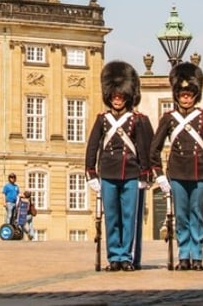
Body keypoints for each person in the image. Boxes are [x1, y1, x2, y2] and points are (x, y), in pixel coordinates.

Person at [149, 63, 203, 271]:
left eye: (189, 94)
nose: (186, 98)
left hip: (199, 172)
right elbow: (155, 148)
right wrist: (160, 175)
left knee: (197, 215)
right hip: (178, 173)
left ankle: (197, 255)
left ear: (195, 95)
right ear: (177, 96)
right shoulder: (169, 119)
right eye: (182, 94)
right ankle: (183, 255)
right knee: (181, 216)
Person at [85, 60, 153, 272]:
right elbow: (93, 146)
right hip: (108, 172)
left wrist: (145, 174)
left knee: (129, 218)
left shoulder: (138, 120)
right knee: (112, 218)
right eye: (114, 95)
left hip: (131, 173)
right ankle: (114, 255)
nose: (117, 99)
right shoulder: (102, 119)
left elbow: (144, 148)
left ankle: (127, 256)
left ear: (127, 96)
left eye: (121, 95)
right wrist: (91, 173)